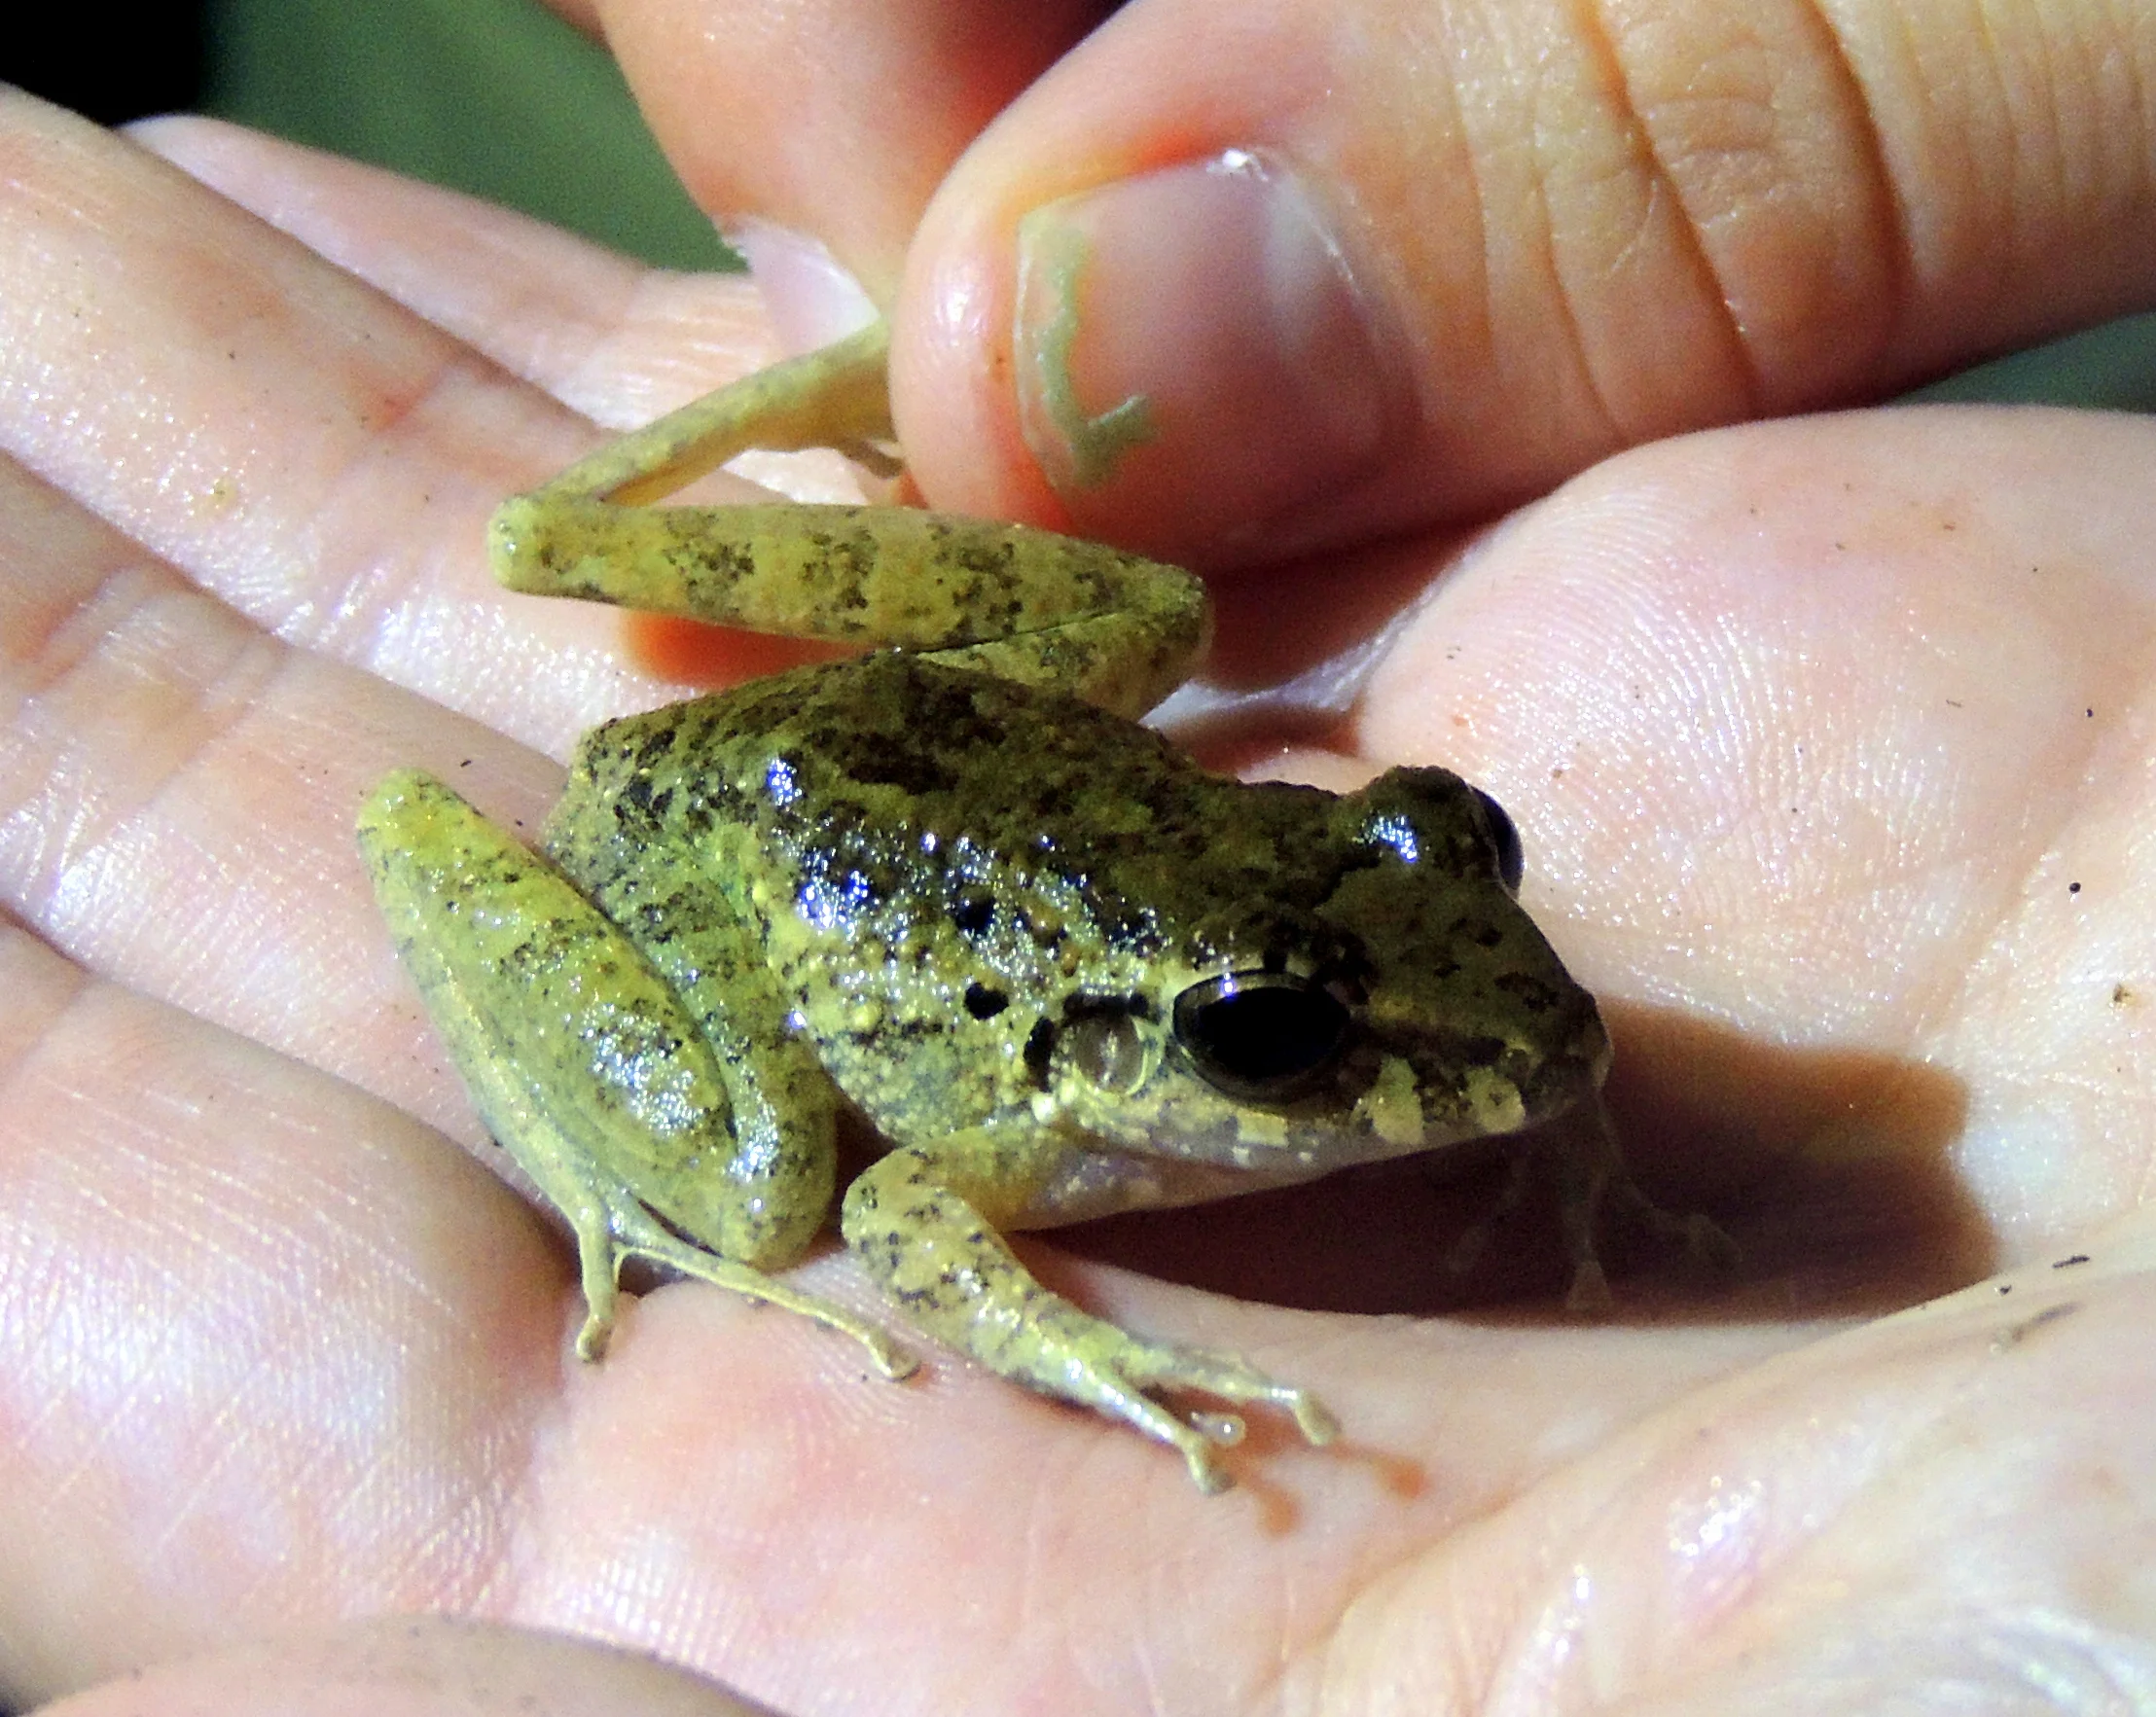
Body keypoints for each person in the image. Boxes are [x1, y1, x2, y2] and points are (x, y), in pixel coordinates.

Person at [8, 1, 2156, 1710]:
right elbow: (926, 1204)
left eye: (1452, 860)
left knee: (1139, 613)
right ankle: (641, 505)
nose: (1493, 1027)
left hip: (933, 777)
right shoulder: (1032, 1107)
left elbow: (1499, 1024)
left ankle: (670, 473)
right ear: (1173, 1046)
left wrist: (1573, 1146)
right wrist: (1074, 1348)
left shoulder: (1418, 974)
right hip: (735, 858)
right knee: (768, 1176)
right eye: (1282, 1043)